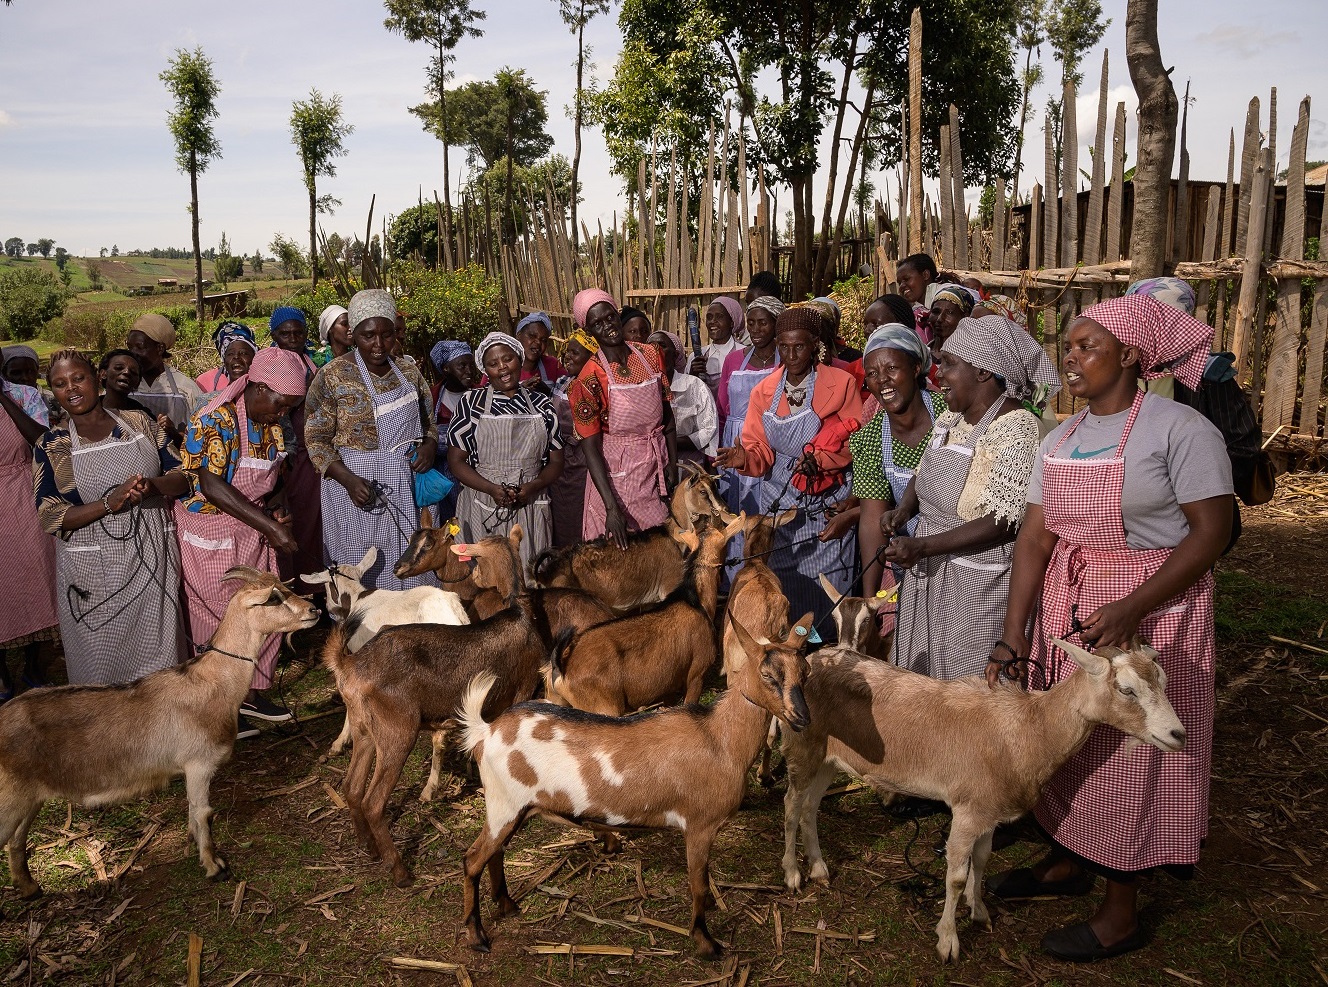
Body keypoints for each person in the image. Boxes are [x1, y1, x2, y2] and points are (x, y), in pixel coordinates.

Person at [986, 295, 1233, 963]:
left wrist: (1129, 607)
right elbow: (1036, 539)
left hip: (1155, 611)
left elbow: (1214, 531)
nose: (1070, 355)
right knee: (1069, 743)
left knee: (1131, 754)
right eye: (1067, 344)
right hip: (1073, 610)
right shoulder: (1059, 436)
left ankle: (1121, 910)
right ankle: (1068, 859)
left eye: (1087, 344)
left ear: (1129, 354)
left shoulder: (1178, 430)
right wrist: (1013, 635)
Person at [884, 315, 1059, 679]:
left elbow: (1004, 521)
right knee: (924, 678)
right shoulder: (951, 419)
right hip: (931, 565)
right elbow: (924, 471)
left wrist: (924, 546)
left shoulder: (1016, 427)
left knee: (967, 690)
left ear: (983, 371)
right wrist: (903, 510)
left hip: (975, 579)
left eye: (949, 364)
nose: (938, 374)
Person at [33, 350, 188, 684]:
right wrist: (108, 503)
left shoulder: (139, 423)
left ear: (96, 377)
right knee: (100, 672)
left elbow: (182, 475)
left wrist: (152, 486)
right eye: (59, 384)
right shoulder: (52, 445)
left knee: (159, 669)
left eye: (78, 378)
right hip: (90, 579)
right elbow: (51, 517)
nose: (71, 388)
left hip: (151, 561)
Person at [176, 348, 309, 726]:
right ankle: (213, 704)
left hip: (252, 529)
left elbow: (274, 477)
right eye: (281, 405)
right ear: (261, 387)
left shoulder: (270, 422)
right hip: (212, 534)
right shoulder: (214, 420)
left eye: (289, 408)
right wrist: (271, 526)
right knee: (218, 618)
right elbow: (212, 485)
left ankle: (249, 695)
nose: (282, 414)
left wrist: (279, 504)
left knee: (262, 610)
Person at [716, 306, 862, 626]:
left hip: (827, 497)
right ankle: (790, 645)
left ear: (815, 345)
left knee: (828, 577)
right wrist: (747, 459)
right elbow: (759, 446)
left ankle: (828, 649)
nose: (792, 354)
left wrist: (821, 460)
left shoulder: (841, 383)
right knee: (784, 575)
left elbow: (855, 438)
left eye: (799, 346)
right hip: (779, 499)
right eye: (785, 346)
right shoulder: (765, 391)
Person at [305, 289, 439, 589]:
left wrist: (429, 445)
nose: (378, 345)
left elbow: (429, 422)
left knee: (412, 565)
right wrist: (349, 481)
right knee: (364, 573)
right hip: (355, 489)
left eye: (386, 334)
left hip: (408, 483)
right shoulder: (331, 376)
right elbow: (316, 441)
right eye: (368, 336)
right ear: (353, 333)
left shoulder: (408, 371)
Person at [846, 324, 947, 610]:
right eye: (873, 374)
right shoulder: (871, 439)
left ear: (916, 367)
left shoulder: (950, 416)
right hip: (907, 563)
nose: (883, 381)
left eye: (892, 368)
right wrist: (870, 599)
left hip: (961, 555)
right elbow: (871, 521)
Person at [568, 288, 677, 547]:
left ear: (618, 315)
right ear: (588, 331)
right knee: (619, 560)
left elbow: (668, 416)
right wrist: (610, 508)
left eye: (609, 318)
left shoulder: (651, 355)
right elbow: (591, 449)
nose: (607, 327)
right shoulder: (589, 379)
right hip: (615, 480)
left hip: (655, 470)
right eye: (597, 323)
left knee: (657, 548)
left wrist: (672, 464)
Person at [447, 331, 564, 564]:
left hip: (530, 502)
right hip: (484, 501)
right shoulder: (472, 402)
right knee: (486, 577)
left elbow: (557, 461)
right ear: (485, 370)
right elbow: (456, 461)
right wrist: (491, 489)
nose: (502, 367)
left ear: (519, 359)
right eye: (493, 364)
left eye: (507, 359)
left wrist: (533, 486)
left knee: (530, 574)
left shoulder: (542, 404)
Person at [0, 371, 58, 700]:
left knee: (38, 577)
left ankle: (34, 666)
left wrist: (3, 398)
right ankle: (2, 676)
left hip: (23, 493)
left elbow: (41, 439)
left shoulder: (24, 395)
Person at [268, 308, 323, 591]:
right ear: (274, 335)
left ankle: (315, 586)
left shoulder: (310, 363)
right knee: (294, 522)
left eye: (298, 333)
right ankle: (295, 587)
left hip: (312, 457)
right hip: (289, 458)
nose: (292, 339)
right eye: (285, 333)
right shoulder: (273, 365)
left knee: (315, 525)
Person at [717, 295, 784, 521]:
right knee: (737, 508)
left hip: (771, 440)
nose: (755, 329)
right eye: (751, 322)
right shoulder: (734, 360)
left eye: (763, 323)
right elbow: (722, 407)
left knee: (768, 505)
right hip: (736, 440)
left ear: (777, 325)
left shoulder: (786, 360)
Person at [549, 330, 596, 546]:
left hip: (586, 464)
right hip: (560, 465)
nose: (568, 357)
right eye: (568, 351)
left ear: (592, 357)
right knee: (561, 519)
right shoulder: (561, 382)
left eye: (576, 353)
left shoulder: (597, 385)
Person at [648, 329, 719, 465]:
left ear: (675, 356)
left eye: (662, 345)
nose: (655, 350)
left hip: (688, 466)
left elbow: (709, 429)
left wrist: (670, 443)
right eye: (651, 346)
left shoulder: (694, 386)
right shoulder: (641, 389)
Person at [126, 313, 204, 431]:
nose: (133, 353)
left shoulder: (186, 388)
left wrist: (174, 433)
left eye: (139, 347)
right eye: (130, 347)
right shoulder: (124, 384)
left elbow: (202, 433)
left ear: (160, 348)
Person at [690, 296, 747, 387]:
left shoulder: (745, 354)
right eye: (709, 317)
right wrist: (692, 375)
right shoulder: (695, 357)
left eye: (719, 317)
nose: (712, 321)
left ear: (732, 322)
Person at [430, 340, 479, 430]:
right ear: (446, 369)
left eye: (472, 365)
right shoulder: (431, 398)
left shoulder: (483, 395)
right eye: (462, 366)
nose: (469, 371)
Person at [3, 344, 60, 423]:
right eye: (16, 373)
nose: (25, 378)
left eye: (30, 372)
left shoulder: (53, 399)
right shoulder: (4, 402)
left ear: (37, 371)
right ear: (4, 375)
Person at [196, 321, 257, 392]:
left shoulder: (265, 384)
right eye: (230, 354)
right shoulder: (204, 382)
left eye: (243, 353)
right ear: (224, 359)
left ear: (254, 356)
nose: (236, 357)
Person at [514, 311, 562, 390]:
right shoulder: (502, 367)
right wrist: (519, 392)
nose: (538, 342)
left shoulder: (553, 366)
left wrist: (546, 391)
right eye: (532, 336)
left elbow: (569, 395)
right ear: (519, 336)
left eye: (543, 340)